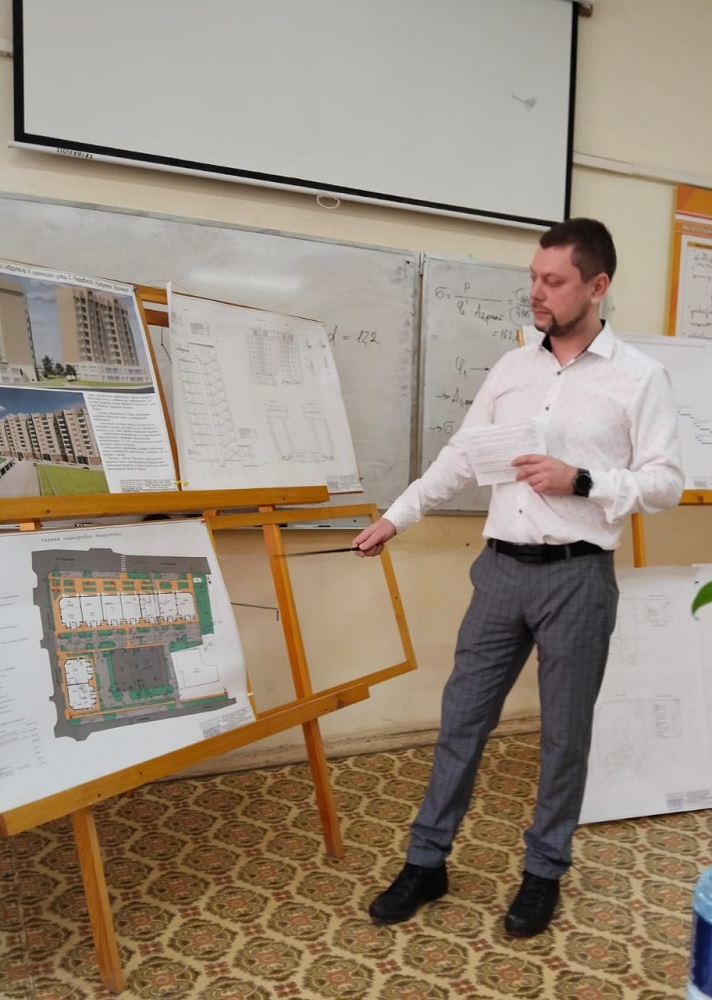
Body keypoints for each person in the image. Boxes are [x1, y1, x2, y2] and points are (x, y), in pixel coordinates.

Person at [351, 218, 684, 937]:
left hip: (578, 579)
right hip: (500, 571)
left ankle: (544, 871)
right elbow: (460, 456)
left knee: (564, 736)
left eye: (553, 281)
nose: (536, 292)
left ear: (596, 286)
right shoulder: (511, 370)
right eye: (533, 277)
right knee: (461, 722)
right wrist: (396, 517)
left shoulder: (639, 377)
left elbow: (666, 485)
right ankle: (427, 862)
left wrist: (582, 479)